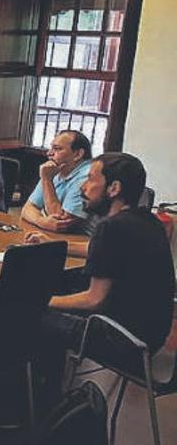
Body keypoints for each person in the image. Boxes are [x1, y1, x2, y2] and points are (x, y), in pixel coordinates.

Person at [31, 153, 174, 403]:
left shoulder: (112, 228)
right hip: (151, 337)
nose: (83, 187)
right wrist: (54, 244)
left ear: (114, 188)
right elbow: (100, 249)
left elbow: (93, 301)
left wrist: (41, 300)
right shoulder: (145, 220)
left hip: (122, 340)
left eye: (90, 180)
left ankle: (47, 401)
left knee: (32, 315)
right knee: (63, 288)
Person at [21, 130, 93, 234]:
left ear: (78, 154)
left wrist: (46, 179)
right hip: (55, 236)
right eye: (51, 148)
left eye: (57, 149)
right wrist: (40, 221)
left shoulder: (87, 176)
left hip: (82, 241)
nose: (49, 153)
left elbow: (60, 223)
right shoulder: (54, 169)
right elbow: (27, 209)